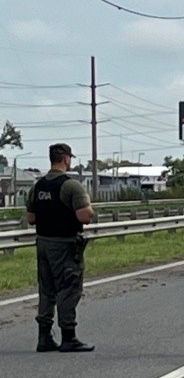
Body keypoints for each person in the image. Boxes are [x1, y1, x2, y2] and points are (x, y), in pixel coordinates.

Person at [26, 143, 95, 353]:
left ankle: (44, 336)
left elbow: (31, 218)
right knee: (68, 289)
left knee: (46, 290)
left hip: (43, 243)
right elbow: (85, 215)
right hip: (65, 245)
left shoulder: (37, 187)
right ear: (66, 159)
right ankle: (68, 336)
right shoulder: (71, 185)